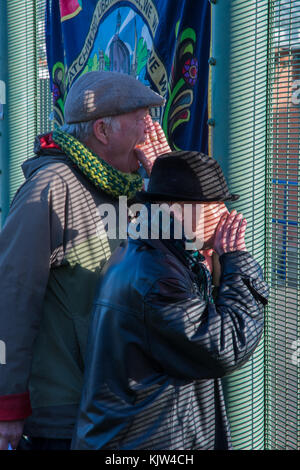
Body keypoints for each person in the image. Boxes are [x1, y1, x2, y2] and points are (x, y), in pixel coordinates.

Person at [0, 71, 166, 450]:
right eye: (140, 117)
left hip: (125, 406)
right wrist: (8, 405)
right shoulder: (51, 186)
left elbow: (194, 256)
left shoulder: (137, 188)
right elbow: (12, 297)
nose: (150, 128)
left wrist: (170, 181)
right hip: (65, 413)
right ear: (103, 132)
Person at [72, 151, 269, 450]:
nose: (226, 214)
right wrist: (238, 262)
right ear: (181, 213)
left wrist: (216, 261)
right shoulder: (158, 280)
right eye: (215, 205)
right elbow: (225, 345)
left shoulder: (151, 252)